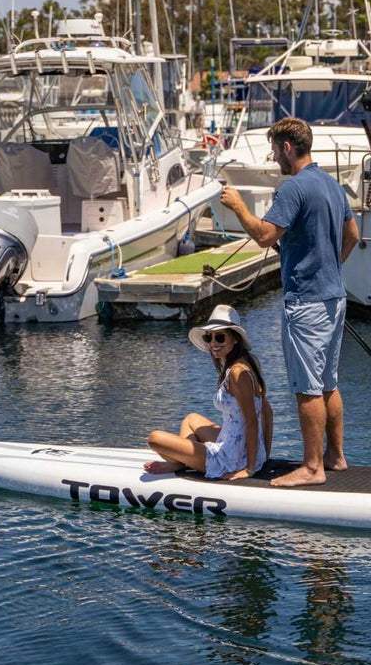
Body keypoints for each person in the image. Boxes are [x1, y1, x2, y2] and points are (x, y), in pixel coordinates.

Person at [219, 116, 359, 487]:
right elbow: (353, 235)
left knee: (307, 387)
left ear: (286, 147)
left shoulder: (293, 189)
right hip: (334, 297)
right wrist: (329, 268)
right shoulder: (332, 185)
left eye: (274, 149)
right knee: (328, 382)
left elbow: (265, 235)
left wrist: (237, 205)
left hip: (307, 303)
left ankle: (312, 467)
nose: (274, 157)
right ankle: (335, 456)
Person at [145, 305, 273, 480]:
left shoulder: (238, 373)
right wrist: (263, 453)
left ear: (235, 339)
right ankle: (182, 462)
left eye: (220, 337)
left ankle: (180, 463)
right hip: (236, 444)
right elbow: (267, 410)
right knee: (191, 419)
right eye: (209, 337)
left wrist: (251, 468)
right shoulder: (244, 364)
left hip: (231, 458)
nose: (213, 343)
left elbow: (251, 420)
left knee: (154, 439)